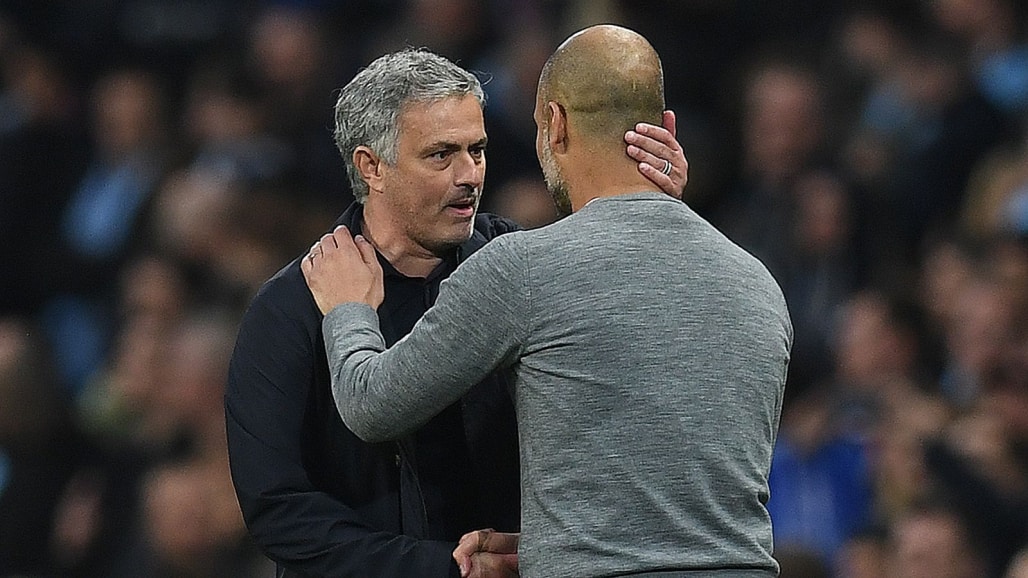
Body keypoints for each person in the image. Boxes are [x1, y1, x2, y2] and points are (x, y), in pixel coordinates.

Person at [303, 25, 792, 578]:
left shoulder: (523, 270)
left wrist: (348, 309)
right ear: (666, 128)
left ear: (555, 124)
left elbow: (370, 405)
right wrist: (552, 541)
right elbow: (680, 474)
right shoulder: (758, 283)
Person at [224, 47, 687, 578]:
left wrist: (655, 215)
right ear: (372, 166)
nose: (470, 174)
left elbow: (631, 345)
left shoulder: (520, 268)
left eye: (478, 149)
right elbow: (279, 509)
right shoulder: (291, 308)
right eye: (441, 155)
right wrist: (445, 569)